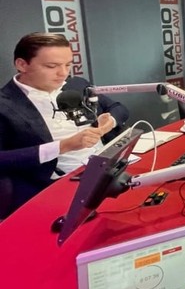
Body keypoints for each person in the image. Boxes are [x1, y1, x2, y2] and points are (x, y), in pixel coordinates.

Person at [0, 33, 129, 218]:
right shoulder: (5, 104)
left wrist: (108, 124)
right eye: (51, 66)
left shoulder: (77, 85)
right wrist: (63, 146)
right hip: (55, 186)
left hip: (107, 170)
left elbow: (118, 109)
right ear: (22, 64)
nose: (63, 73)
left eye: (67, 65)